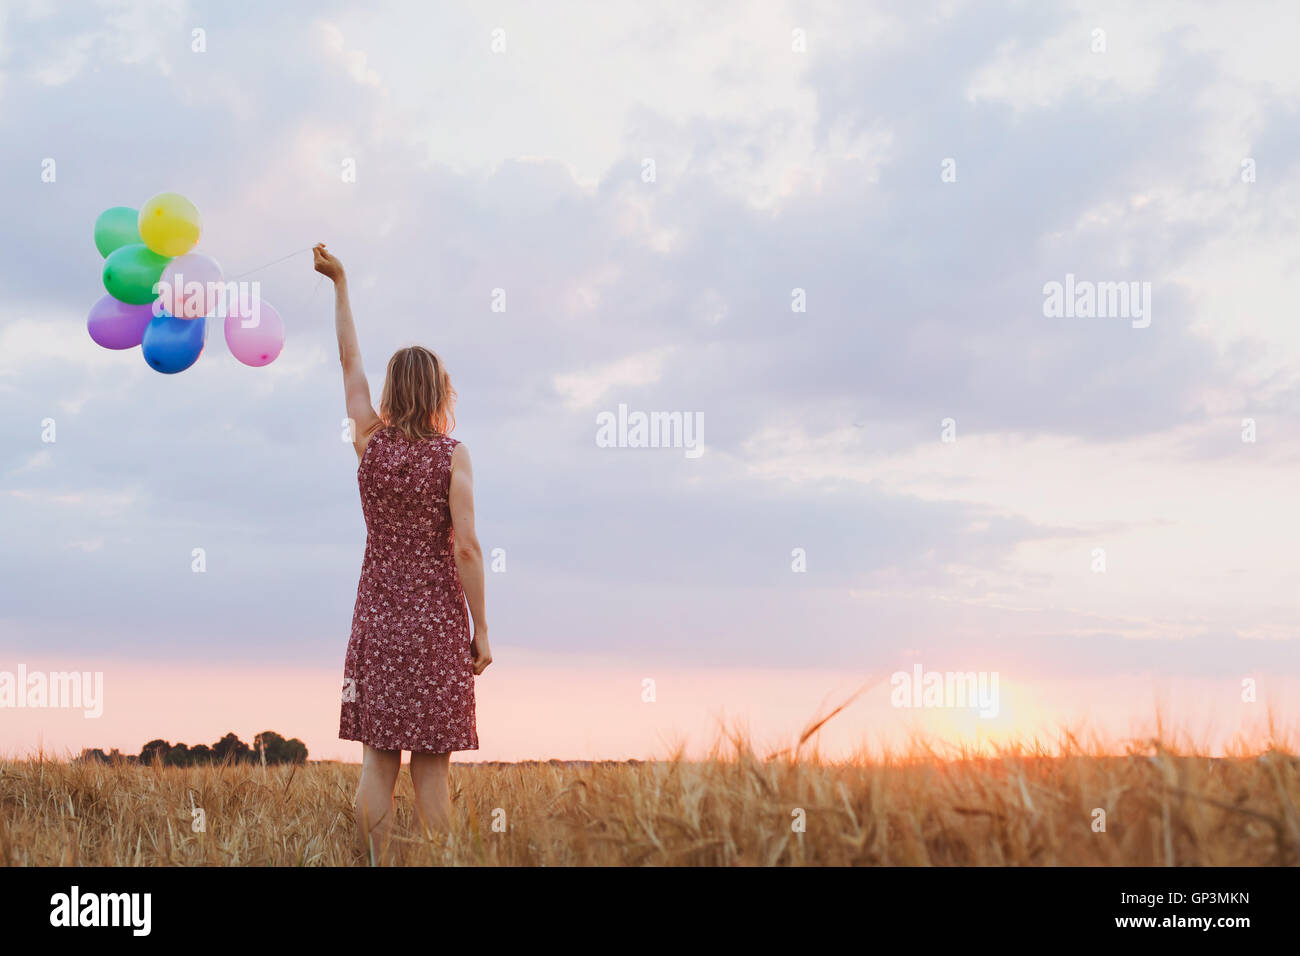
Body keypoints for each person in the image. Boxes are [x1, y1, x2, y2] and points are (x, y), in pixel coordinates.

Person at [313, 243, 492, 861]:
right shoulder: (452, 456)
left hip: (378, 621)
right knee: (433, 771)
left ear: (392, 389)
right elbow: (466, 548)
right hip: (438, 625)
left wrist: (340, 283)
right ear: (441, 391)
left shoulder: (368, 440)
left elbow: (347, 359)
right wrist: (482, 631)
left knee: (377, 763)